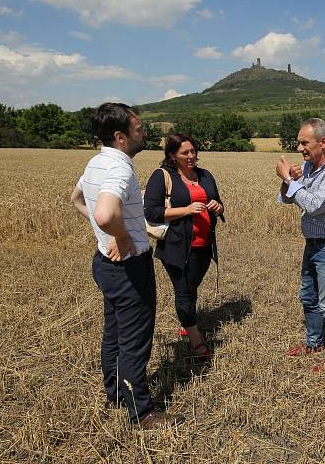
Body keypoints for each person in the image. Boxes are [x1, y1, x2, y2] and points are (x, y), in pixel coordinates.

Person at [70, 103, 183, 429]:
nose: (144, 131)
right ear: (120, 136)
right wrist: (119, 236)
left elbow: (77, 198)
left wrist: (110, 233)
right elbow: (105, 214)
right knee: (134, 340)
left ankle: (116, 395)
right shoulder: (120, 168)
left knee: (114, 333)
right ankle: (142, 413)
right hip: (129, 267)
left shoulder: (96, 161)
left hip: (105, 265)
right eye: (138, 127)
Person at [276, 118, 325, 373]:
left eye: (304, 143)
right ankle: (314, 343)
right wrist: (289, 181)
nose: (299, 148)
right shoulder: (310, 166)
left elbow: (313, 204)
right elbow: (287, 199)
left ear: (323, 142)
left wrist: (290, 179)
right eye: (298, 143)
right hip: (312, 243)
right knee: (307, 296)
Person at [143, 133, 225, 359]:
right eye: (184, 153)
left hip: (204, 245)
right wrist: (186, 210)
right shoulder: (162, 176)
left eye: (193, 151)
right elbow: (150, 211)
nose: (191, 156)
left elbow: (218, 202)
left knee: (191, 288)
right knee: (184, 292)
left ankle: (188, 325)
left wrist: (218, 207)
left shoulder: (205, 175)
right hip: (177, 246)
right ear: (172, 155)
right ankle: (196, 339)